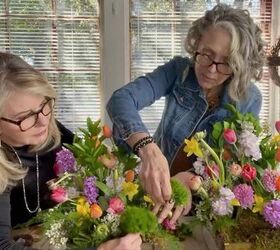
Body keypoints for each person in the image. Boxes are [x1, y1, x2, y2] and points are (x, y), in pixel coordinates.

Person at [106, 4, 265, 223]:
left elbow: (234, 168)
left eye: (226, 63)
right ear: (196, 44)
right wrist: (148, 149)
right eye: (206, 55)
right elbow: (121, 99)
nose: (211, 69)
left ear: (239, 66)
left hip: (205, 208)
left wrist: (191, 180)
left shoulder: (249, 98)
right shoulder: (178, 72)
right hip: (155, 193)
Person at [0, 52, 142, 250]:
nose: (43, 121)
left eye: (44, 105)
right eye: (26, 117)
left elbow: (94, 163)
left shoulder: (46, 127)